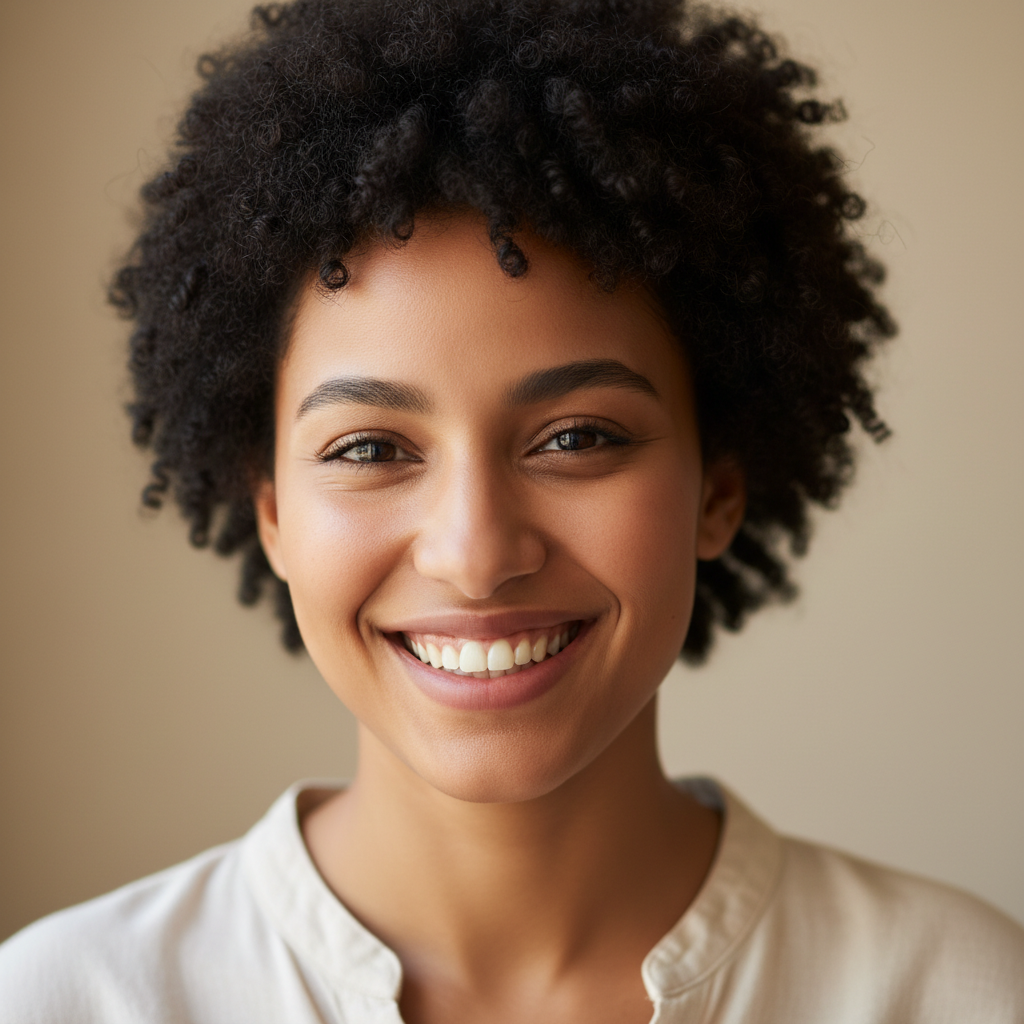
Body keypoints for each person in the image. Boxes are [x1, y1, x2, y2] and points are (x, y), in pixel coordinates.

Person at [0, 0, 1021, 1021]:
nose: (475, 553)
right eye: (369, 449)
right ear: (272, 514)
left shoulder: (957, 991)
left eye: (576, 438)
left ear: (717, 490)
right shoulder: (70, 999)